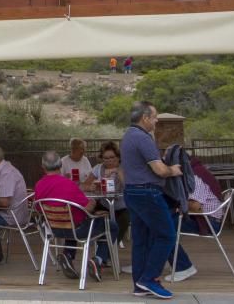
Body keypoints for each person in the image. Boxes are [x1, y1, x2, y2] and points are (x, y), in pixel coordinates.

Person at [121, 101, 184, 299]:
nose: (157, 121)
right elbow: (159, 170)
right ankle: (150, 278)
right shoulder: (143, 138)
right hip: (147, 193)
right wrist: (172, 170)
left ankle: (139, 285)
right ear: (145, 118)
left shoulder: (127, 137)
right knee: (167, 235)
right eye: (154, 117)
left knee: (141, 240)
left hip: (132, 193)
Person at [34, 150, 118, 282]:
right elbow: (87, 208)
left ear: (43, 167)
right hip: (77, 230)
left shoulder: (39, 185)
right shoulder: (69, 184)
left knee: (72, 219)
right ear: (61, 165)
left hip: (53, 229)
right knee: (111, 226)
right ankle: (98, 260)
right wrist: (93, 202)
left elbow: (38, 208)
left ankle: (67, 255)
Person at [164, 163, 225, 284]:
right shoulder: (193, 174)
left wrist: (178, 204)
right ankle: (162, 262)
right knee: (163, 222)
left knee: (163, 227)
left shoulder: (193, 179)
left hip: (209, 222)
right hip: (205, 218)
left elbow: (195, 206)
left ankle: (183, 267)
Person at [83, 141, 129, 245]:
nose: (109, 161)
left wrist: (118, 172)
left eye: (112, 157)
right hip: (104, 204)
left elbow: (129, 187)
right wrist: (92, 187)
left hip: (122, 206)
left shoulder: (125, 167)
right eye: (105, 158)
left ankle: (108, 249)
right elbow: (84, 186)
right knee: (87, 212)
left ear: (118, 157)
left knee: (122, 221)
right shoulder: (98, 168)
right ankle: (94, 242)